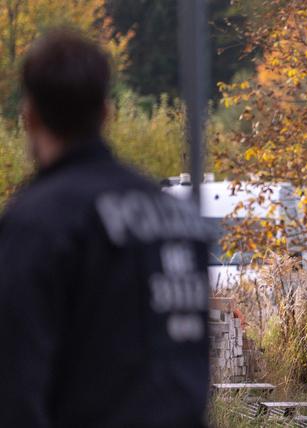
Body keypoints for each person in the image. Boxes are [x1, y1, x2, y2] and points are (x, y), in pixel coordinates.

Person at [0, 30, 212, 426]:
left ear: (29, 116)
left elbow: (15, 385)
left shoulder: (38, 223)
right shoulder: (180, 220)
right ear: (105, 113)